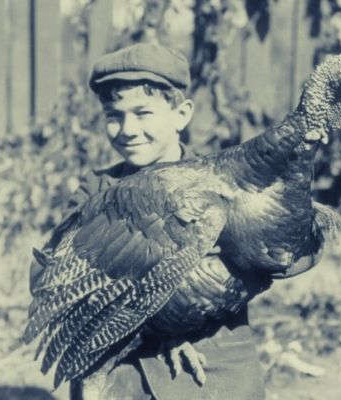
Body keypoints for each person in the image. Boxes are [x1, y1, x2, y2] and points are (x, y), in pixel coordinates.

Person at [29, 42, 323, 399]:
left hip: (211, 361)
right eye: (114, 115)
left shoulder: (227, 182)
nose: (128, 129)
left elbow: (291, 245)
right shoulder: (99, 190)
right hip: (121, 366)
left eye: (143, 113)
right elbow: (49, 276)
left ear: (182, 114)